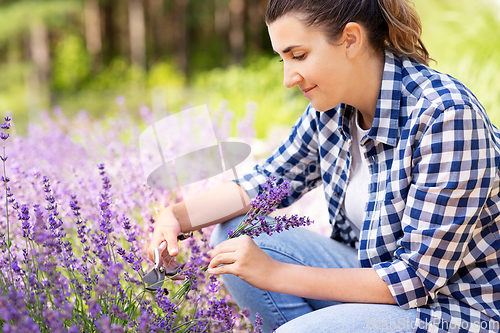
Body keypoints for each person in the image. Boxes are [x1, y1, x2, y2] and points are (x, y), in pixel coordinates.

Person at [147, 0, 500, 332]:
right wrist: (176, 217)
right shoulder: (333, 108)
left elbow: (414, 280)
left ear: (350, 40)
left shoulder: (446, 118)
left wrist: (274, 274)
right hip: (374, 277)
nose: (288, 78)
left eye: (298, 55)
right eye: (282, 59)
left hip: (453, 309)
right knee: (235, 233)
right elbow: (266, 183)